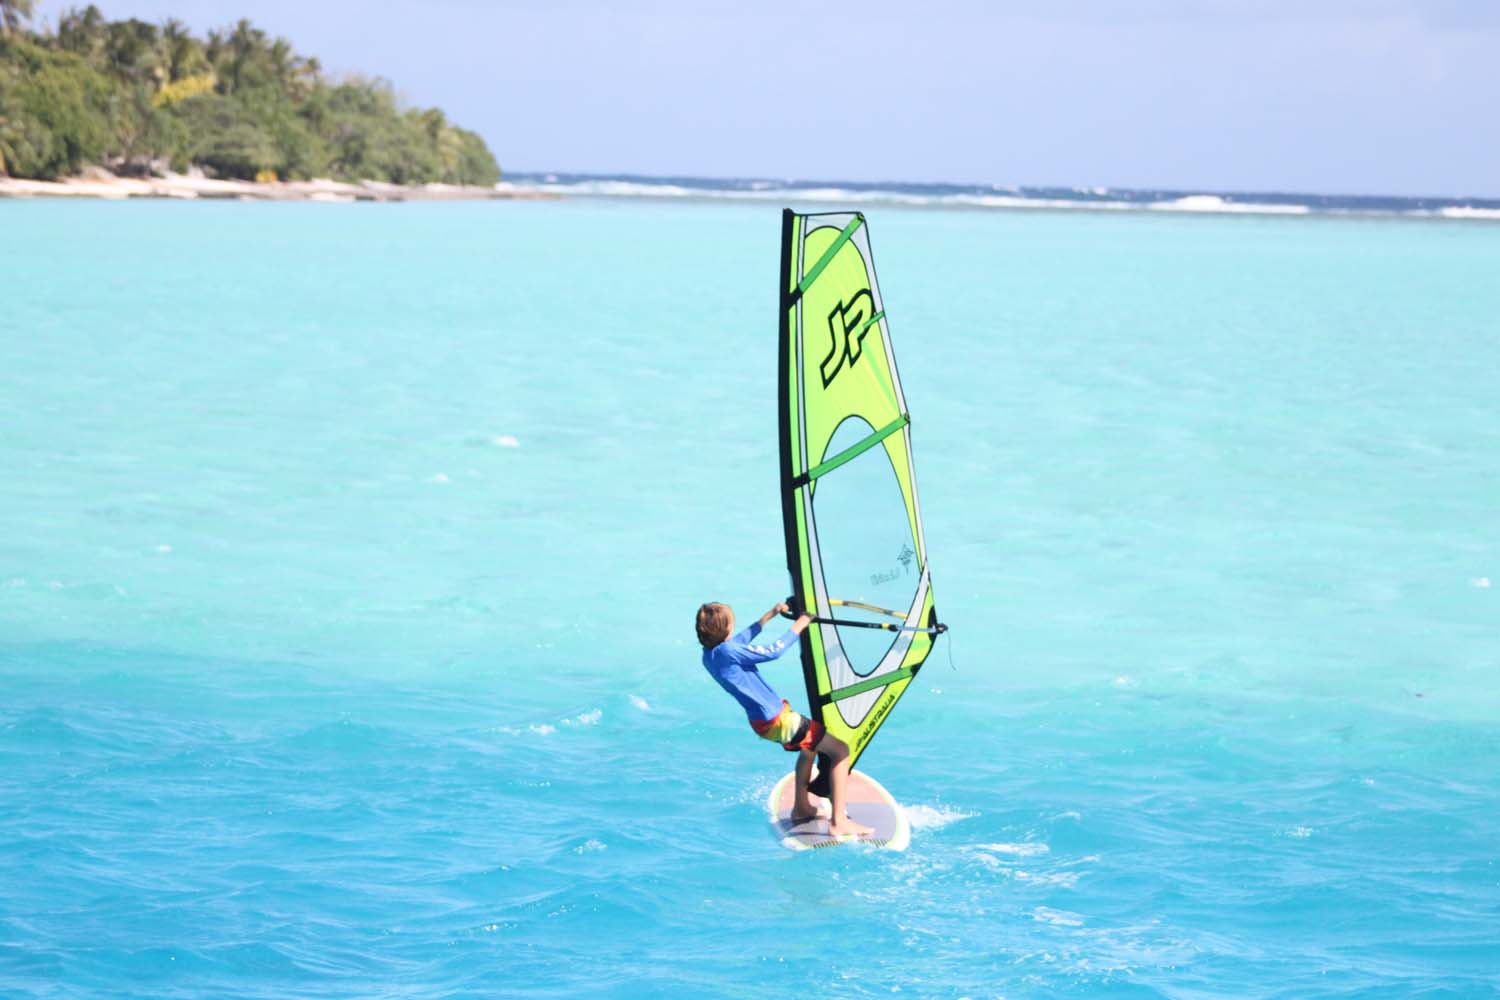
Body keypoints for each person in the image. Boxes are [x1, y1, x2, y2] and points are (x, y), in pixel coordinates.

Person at [697, 600, 873, 838]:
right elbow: (774, 651)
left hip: (765, 724)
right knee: (840, 751)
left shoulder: (710, 656)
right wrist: (801, 623)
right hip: (780, 721)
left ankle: (801, 809)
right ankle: (838, 821)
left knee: (809, 749)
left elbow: (743, 638)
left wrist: (770, 614)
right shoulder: (729, 652)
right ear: (726, 629)